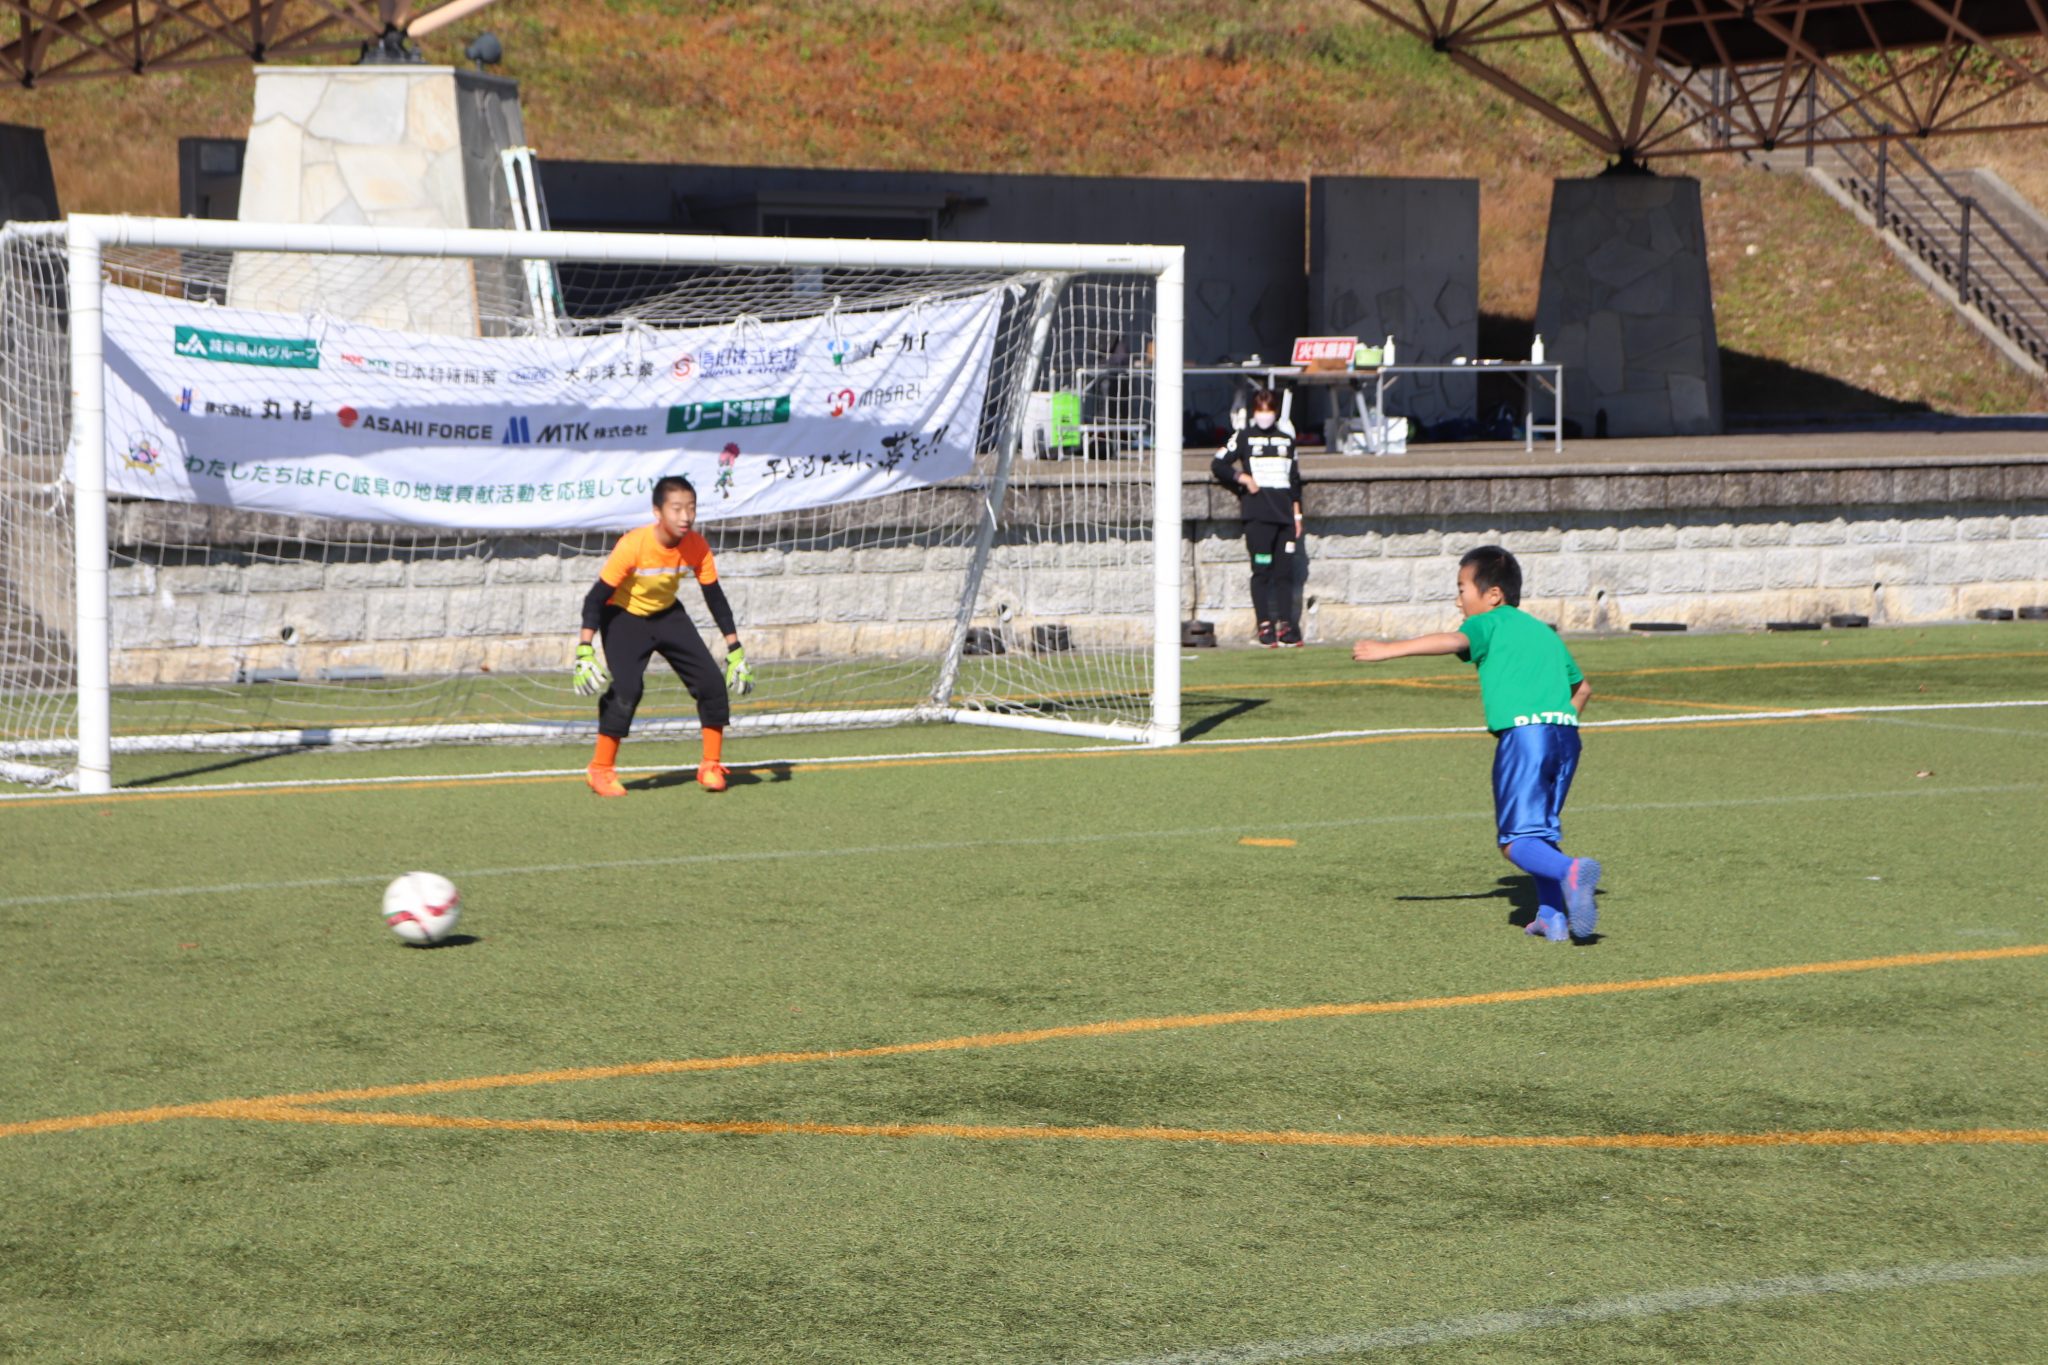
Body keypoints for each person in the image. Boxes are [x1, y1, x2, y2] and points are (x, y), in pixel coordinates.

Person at [1351, 545, 1602, 941]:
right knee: (1539, 833)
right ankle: (1551, 917)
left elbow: (1453, 640)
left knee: (1514, 842)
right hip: (1566, 738)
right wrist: (1558, 722)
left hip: (1526, 738)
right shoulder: (1543, 632)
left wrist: (1388, 650)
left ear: (1493, 595)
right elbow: (1583, 689)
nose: (1458, 601)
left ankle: (1569, 871)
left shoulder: (1489, 622)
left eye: (1462, 590)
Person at [570, 475, 754, 797]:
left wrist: (734, 648)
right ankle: (600, 769)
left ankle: (710, 766)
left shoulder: (696, 546)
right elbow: (595, 598)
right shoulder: (633, 545)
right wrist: (585, 648)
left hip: (667, 614)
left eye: (691, 508)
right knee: (628, 689)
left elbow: (715, 597)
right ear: (658, 512)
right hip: (623, 617)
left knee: (712, 682)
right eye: (677, 508)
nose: (686, 516)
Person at [1211, 388, 1304, 647]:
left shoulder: (1287, 440)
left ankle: (1286, 624)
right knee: (1261, 571)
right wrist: (1243, 478)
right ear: (1254, 412)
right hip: (1258, 517)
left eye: (1269, 410)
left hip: (1285, 518)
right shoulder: (1244, 436)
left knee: (1285, 573)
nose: (1265, 415)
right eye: (1261, 410)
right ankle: (1264, 624)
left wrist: (1297, 515)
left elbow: (1294, 480)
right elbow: (1218, 464)